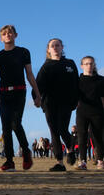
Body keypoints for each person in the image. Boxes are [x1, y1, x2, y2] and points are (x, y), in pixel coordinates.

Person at [0, 25, 41, 172]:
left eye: (10, 33)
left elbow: (30, 74)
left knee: (15, 123)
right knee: (5, 127)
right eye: (4, 34)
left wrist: (38, 94)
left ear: (15, 35)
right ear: (1, 38)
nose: (7, 35)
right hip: (3, 94)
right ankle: (9, 162)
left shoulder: (23, 52)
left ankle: (26, 152)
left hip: (20, 92)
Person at [34, 38, 79, 171]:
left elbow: (77, 83)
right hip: (49, 103)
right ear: (48, 49)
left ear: (62, 47)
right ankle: (60, 163)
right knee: (54, 131)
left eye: (57, 45)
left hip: (66, 102)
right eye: (52, 46)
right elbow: (38, 85)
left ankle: (70, 149)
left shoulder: (70, 63)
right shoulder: (46, 66)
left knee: (62, 128)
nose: (55, 47)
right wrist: (36, 97)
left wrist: (78, 100)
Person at [75, 56, 104, 170]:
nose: (89, 66)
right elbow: (73, 96)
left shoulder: (101, 80)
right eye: (86, 64)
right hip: (82, 112)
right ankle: (83, 162)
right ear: (82, 66)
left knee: (98, 137)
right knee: (82, 136)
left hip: (98, 112)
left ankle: (100, 161)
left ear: (94, 65)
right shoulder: (77, 80)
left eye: (91, 63)